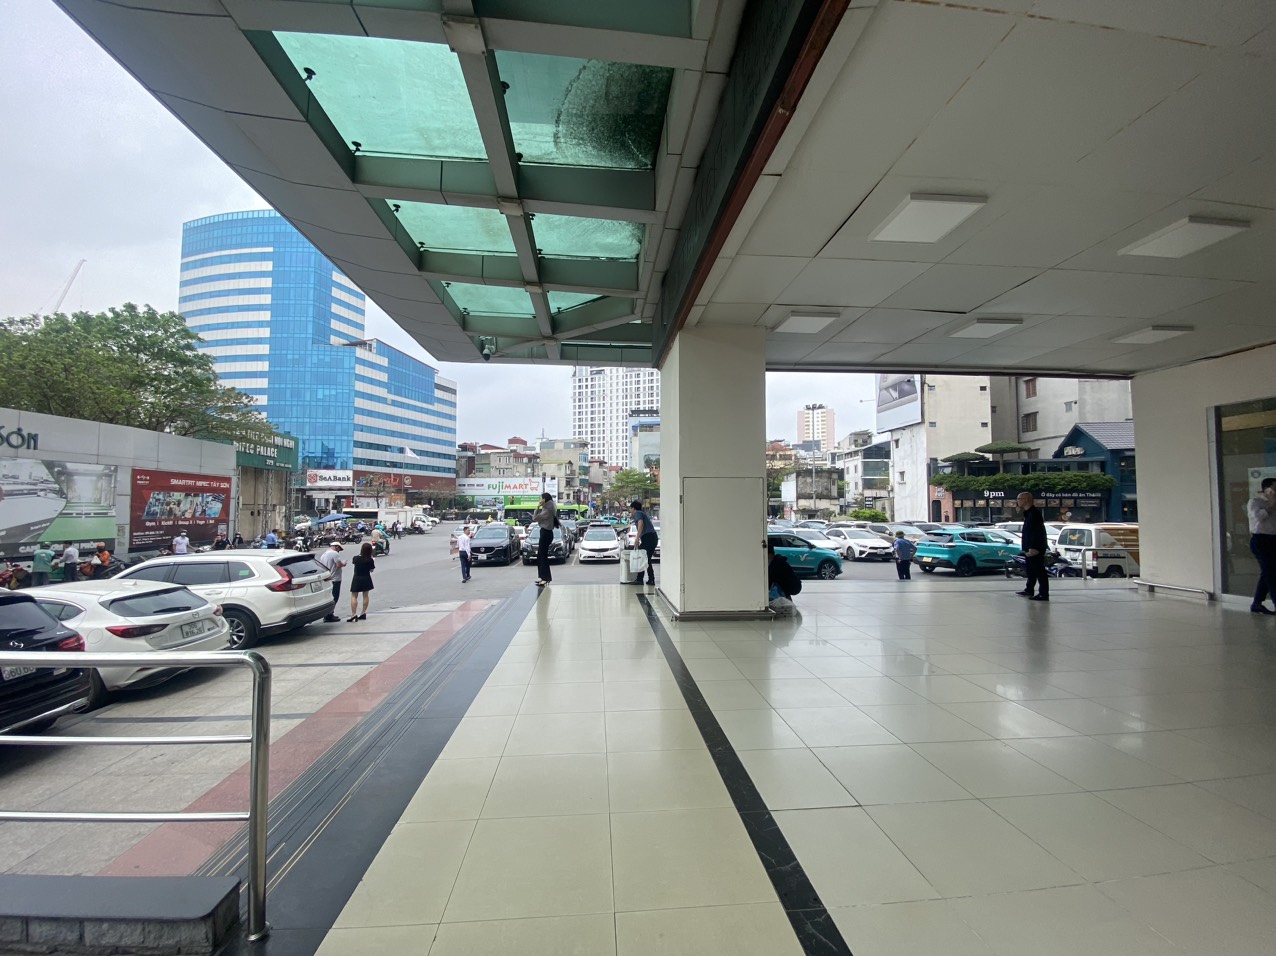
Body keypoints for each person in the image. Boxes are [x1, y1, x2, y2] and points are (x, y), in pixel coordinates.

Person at [1247, 477, 1276, 614]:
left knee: (1268, 572)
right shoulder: (1255, 502)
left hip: (1273, 539)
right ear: (1266, 489)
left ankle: (1257, 603)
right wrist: (1272, 504)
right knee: (1271, 573)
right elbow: (1258, 517)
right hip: (1261, 540)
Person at [1015, 491, 1049, 601]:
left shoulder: (1034, 514)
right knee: (1031, 570)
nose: (1017, 501)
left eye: (1019, 499)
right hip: (1030, 547)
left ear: (1026, 500)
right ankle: (1029, 589)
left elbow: (1037, 532)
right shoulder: (1028, 513)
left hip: (1035, 548)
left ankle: (1043, 593)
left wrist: (1033, 547)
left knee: (1039, 571)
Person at [627, 500, 658, 586]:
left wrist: (637, 538)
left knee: (643, 557)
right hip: (651, 537)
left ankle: (640, 579)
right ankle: (650, 579)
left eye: (631, 509)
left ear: (634, 508)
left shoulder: (638, 513)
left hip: (649, 537)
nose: (630, 511)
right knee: (646, 558)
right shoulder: (641, 513)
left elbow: (641, 524)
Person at [531, 492, 557, 587]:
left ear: (545, 499)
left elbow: (535, 518)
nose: (541, 500)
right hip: (546, 533)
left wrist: (537, 507)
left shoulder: (547, 510)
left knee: (542, 556)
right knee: (541, 556)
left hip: (546, 533)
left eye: (542, 499)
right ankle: (543, 577)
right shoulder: (548, 508)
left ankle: (545, 578)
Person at [315, 542, 346, 622]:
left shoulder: (324, 554)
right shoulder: (334, 553)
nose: (338, 551)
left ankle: (328, 614)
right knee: (335, 597)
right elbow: (338, 565)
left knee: (329, 597)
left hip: (328, 578)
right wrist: (343, 564)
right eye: (339, 549)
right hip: (335, 578)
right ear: (336, 547)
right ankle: (329, 614)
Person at [347, 542, 375, 621]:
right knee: (365, 595)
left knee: (354, 596)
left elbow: (355, 563)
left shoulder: (355, 558)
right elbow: (371, 570)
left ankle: (353, 614)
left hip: (357, 577)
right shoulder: (370, 560)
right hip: (366, 577)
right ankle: (363, 613)